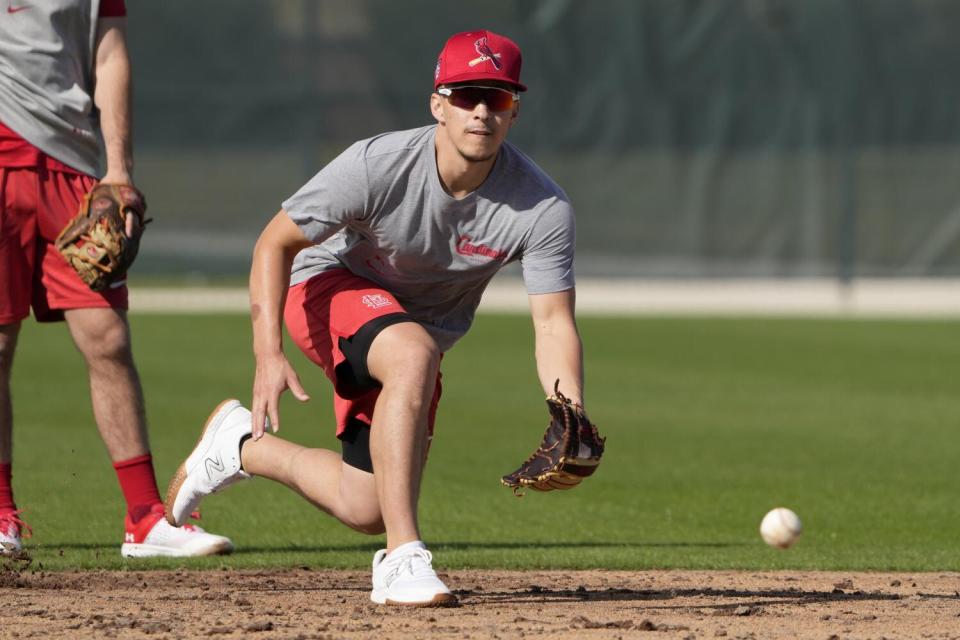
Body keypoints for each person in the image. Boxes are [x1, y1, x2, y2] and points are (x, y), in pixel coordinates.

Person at [165, 29, 587, 604]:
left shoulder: (541, 207)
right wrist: (268, 355)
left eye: (499, 97)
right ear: (438, 104)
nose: (482, 111)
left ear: (516, 110)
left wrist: (570, 411)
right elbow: (273, 244)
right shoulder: (379, 164)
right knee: (412, 353)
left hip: (410, 339)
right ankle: (402, 558)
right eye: (466, 96)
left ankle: (238, 446)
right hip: (323, 288)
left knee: (364, 503)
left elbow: (553, 323)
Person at [0, 0, 232, 557]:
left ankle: (145, 519)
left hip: (73, 168)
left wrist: (120, 169)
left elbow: (110, 55)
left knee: (108, 339)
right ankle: (1, 515)